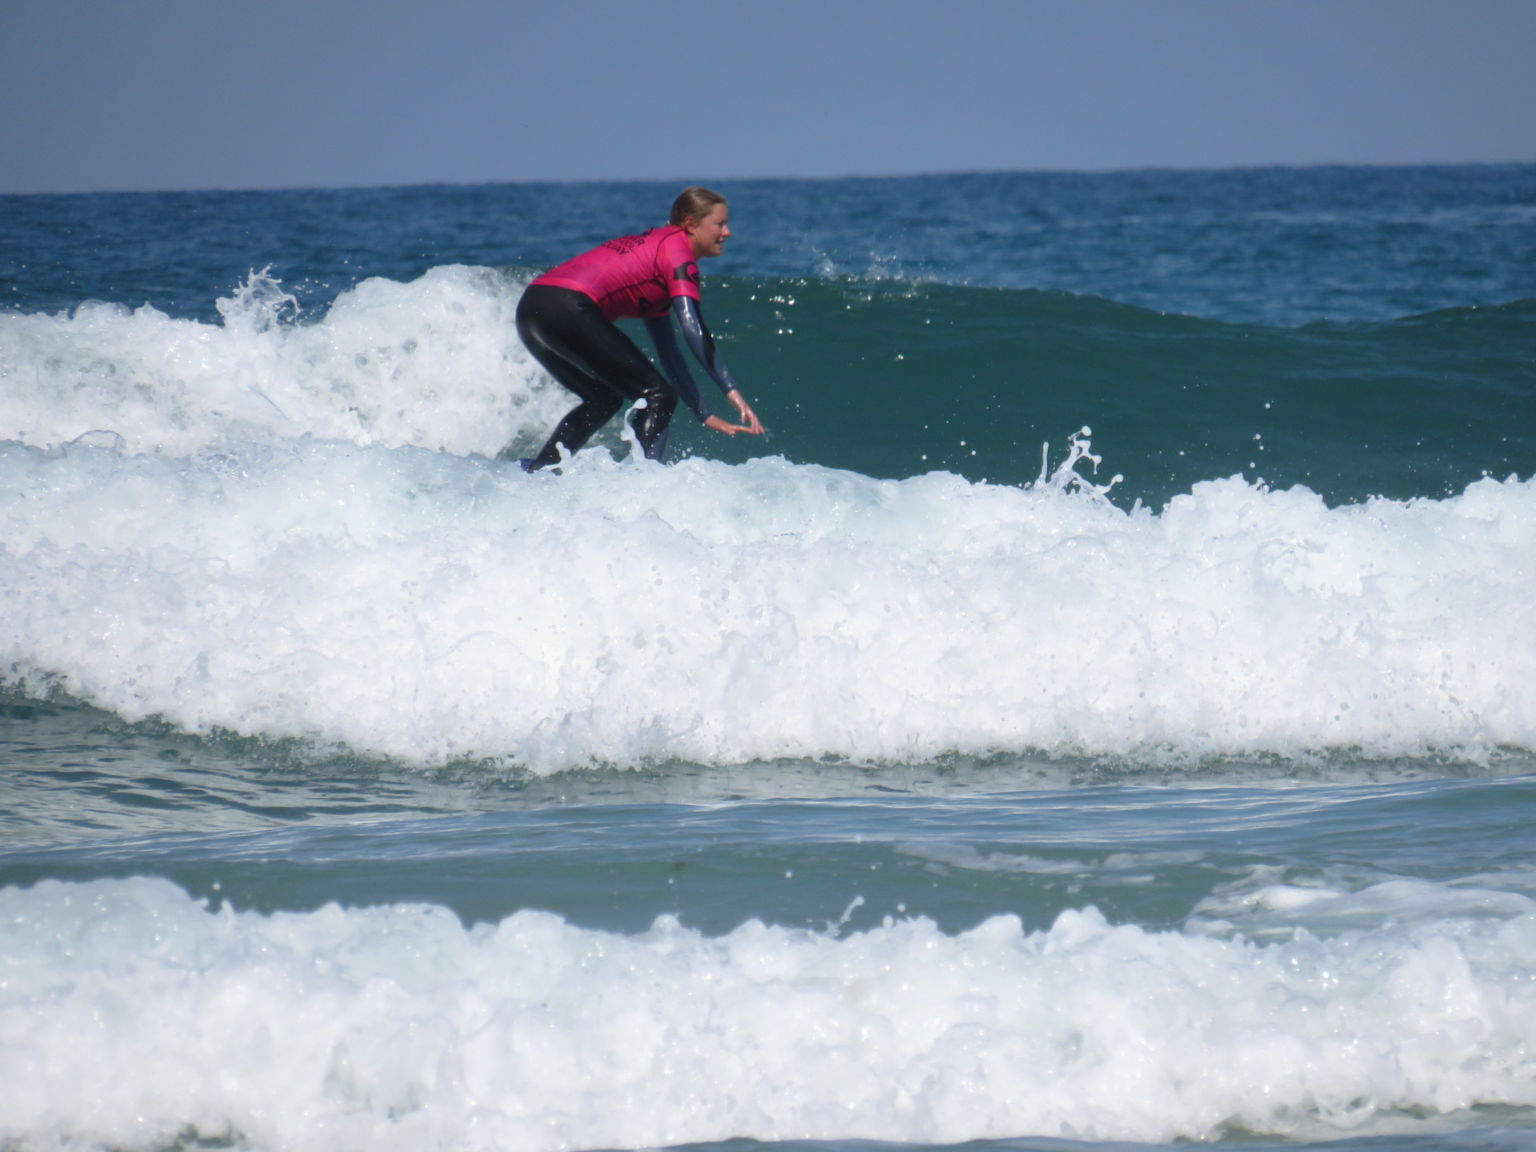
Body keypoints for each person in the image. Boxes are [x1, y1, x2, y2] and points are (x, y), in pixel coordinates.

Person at [506, 186, 765, 471]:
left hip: (533, 308)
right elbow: (693, 329)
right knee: (658, 396)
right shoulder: (677, 249)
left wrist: (703, 413)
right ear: (691, 224)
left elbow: (669, 354)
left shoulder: (657, 254)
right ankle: (641, 485)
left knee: (603, 399)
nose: (727, 233)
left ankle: (540, 471)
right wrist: (730, 389)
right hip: (569, 305)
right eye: (720, 224)